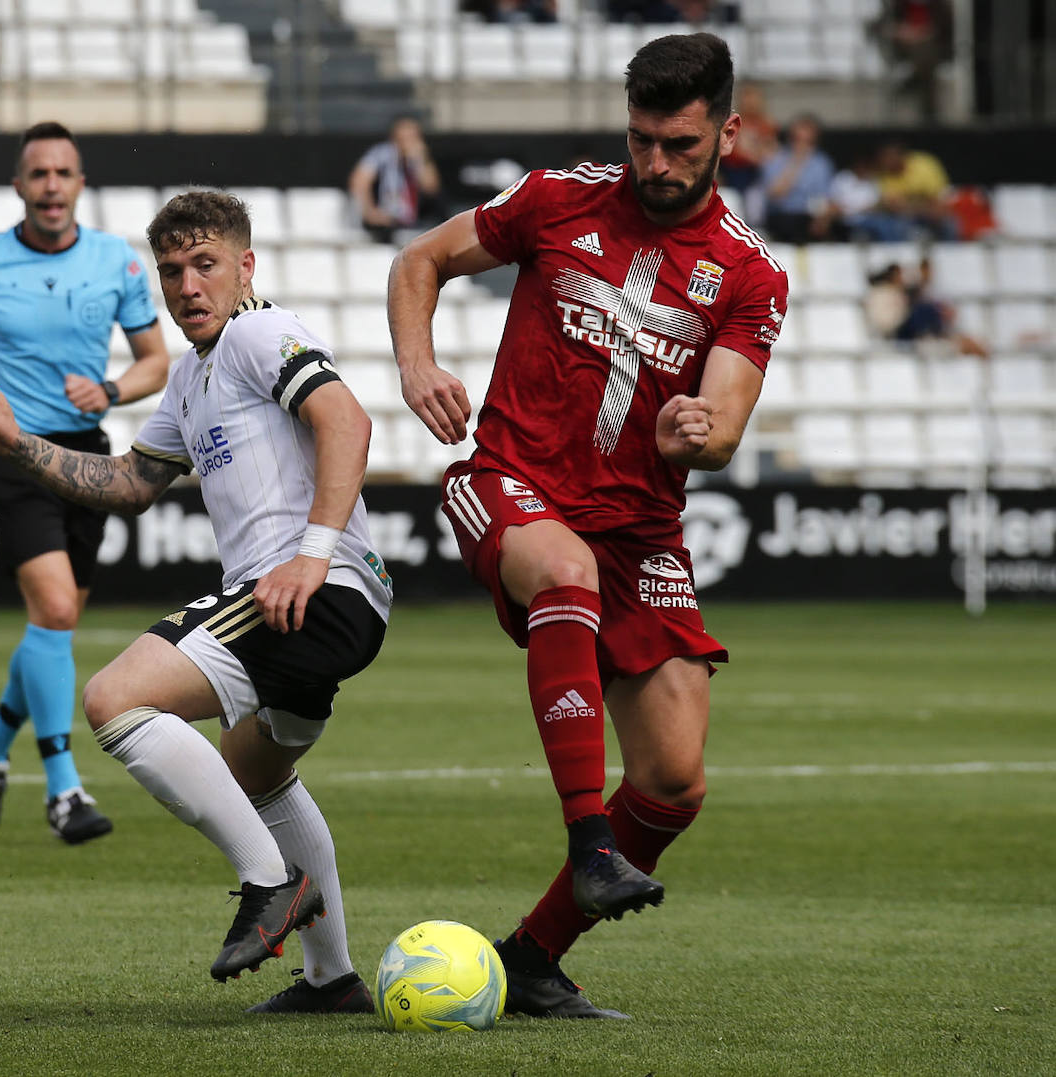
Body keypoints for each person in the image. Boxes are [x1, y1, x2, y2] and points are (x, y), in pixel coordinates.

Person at [387, 31, 787, 1018]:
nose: (655, 163)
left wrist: (701, 429)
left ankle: (530, 960)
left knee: (675, 780)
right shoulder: (554, 202)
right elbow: (420, 261)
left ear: (727, 133)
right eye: (642, 139)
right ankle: (588, 841)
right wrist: (418, 366)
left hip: (642, 532)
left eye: (680, 145)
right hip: (512, 482)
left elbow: (726, 424)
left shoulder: (749, 275)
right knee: (562, 569)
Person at [0, 190, 393, 1011]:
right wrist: (14, 443)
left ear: (245, 267)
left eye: (205, 264)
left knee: (115, 699)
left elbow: (349, 422)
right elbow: (128, 483)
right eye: (171, 271)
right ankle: (331, 979)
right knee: (255, 772)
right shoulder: (192, 377)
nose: (187, 285)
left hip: (311, 587)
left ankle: (270, 882)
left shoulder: (262, 332)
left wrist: (309, 555)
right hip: (317, 602)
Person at [0, 121, 170, 845]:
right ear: (19, 186)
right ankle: (64, 791)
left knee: (55, 624)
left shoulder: (116, 261)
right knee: (54, 608)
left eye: (64, 173)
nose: (51, 185)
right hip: (7, 451)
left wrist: (112, 391)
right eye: (39, 173)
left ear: (80, 185)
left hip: (84, 453)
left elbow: (156, 359)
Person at [347, 115, 444, 245]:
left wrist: (420, 160)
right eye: (402, 138)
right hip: (387, 222)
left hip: (413, 221)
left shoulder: (419, 158)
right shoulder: (381, 154)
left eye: (412, 138)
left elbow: (431, 188)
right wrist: (370, 212)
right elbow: (358, 182)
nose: (406, 143)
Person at [756, 113, 836, 244]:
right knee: (790, 224)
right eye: (798, 139)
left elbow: (827, 198)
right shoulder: (775, 158)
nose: (803, 144)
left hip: (811, 218)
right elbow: (775, 193)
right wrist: (797, 162)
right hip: (782, 217)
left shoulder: (821, 163)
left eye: (808, 141)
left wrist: (823, 220)